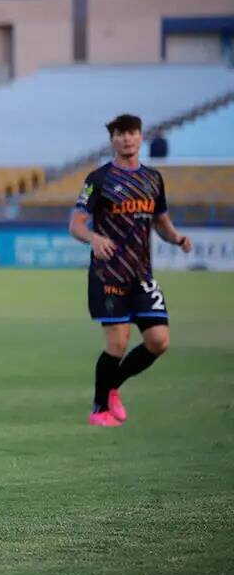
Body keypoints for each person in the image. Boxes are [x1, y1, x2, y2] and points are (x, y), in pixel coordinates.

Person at [69, 114, 192, 427]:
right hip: (108, 274)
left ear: (140, 137)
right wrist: (94, 238)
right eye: (121, 134)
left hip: (141, 275)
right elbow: (76, 225)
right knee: (118, 344)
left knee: (159, 341)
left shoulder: (153, 179)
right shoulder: (98, 179)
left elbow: (161, 221)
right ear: (113, 139)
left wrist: (176, 237)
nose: (127, 139)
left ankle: (113, 387)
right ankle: (99, 410)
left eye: (132, 133)